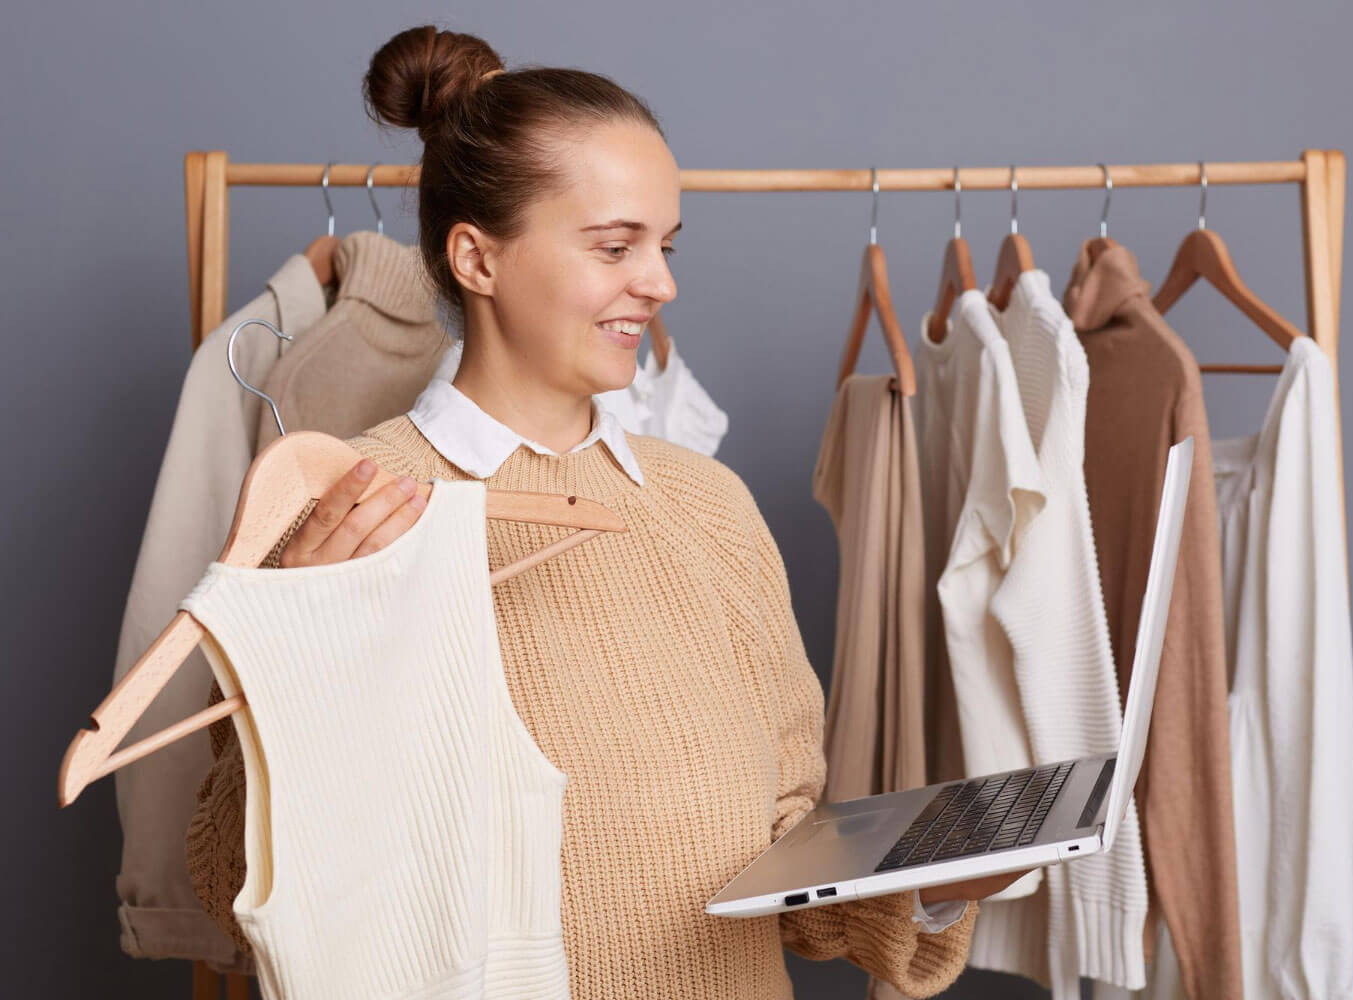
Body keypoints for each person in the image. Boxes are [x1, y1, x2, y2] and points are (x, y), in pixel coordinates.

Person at [190, 24, 1028, 998]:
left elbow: (785, 841)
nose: (661, 283)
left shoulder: (710, 508)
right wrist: (307, 651)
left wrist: (931, 880)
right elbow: (225, 883)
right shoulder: (345, 511)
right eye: (615, 245)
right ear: (477, 258)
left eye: (664, 245)